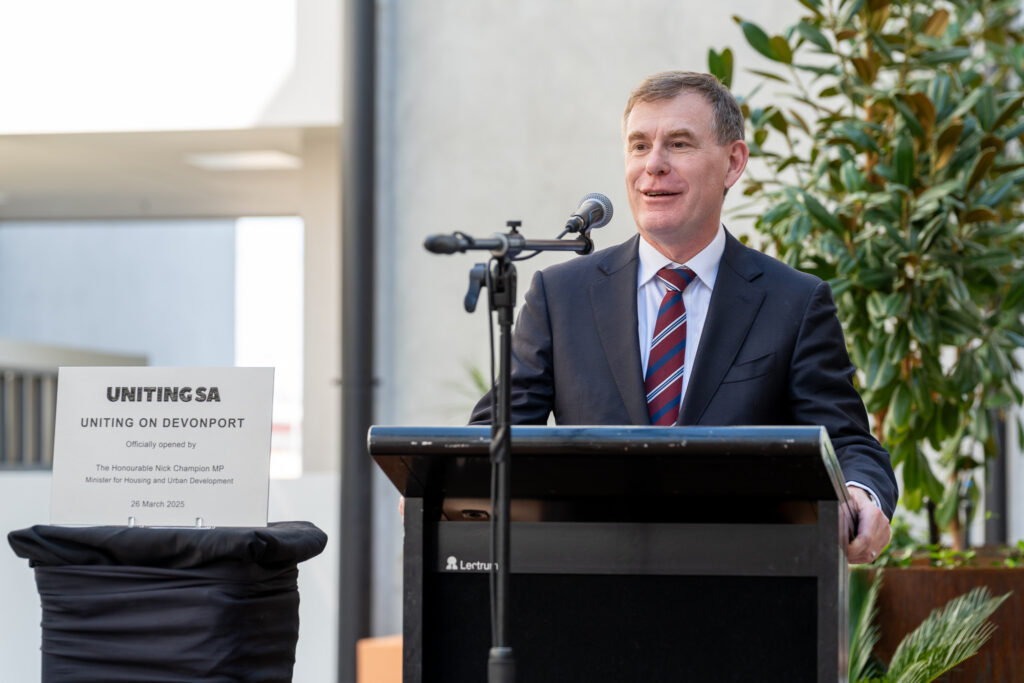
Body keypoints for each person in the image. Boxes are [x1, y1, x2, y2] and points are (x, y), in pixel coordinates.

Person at [470, 70, 896, 564]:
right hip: (588, 586)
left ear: (733, 163)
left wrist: (860, 493)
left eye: (678, 143)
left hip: (747, 587)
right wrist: (442, 484)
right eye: (638, 146)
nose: (653, 165)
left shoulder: (795, 303)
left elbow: (845, 441)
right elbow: (497, 432)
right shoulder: (560, 295)